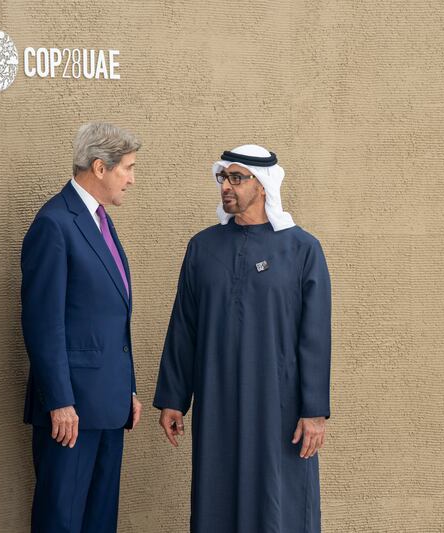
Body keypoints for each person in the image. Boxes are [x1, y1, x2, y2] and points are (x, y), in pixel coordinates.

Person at [154, 145, 332, 533]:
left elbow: (315, 336)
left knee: (278, 503)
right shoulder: (202, 248)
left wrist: (314, 411)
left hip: (279, 407)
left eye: (237, 178)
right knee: (216, 496)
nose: (226, 187)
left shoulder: (303, 250)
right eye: (223, 178)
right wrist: (173, 399)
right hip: (217, 400)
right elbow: (184, 325)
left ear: (263, 185)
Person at [21, 122, 143, 533]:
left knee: (99, 521)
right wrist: (59, 401)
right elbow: (43, 322)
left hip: (109, 407)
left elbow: (110, 317)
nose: (132, 178)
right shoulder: (55, 223)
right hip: (70, 412)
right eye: (127, 168)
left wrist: (128, 387)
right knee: (62, 519)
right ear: (99, 167)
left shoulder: (101, 222)